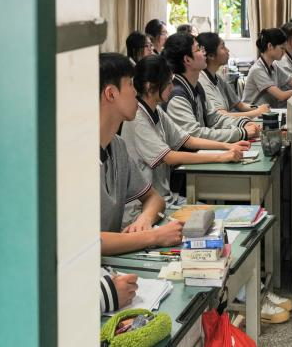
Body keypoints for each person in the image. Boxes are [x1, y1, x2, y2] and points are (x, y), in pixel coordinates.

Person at [123, 54, 251, 208]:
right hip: (143, 207)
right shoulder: (137, 118)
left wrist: (227, 146)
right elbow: (169, 157)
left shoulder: (157, 110)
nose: (171, 87)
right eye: (168, 83)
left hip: (164, 198)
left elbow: (188, 139)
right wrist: (220, 157)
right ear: (150, 87)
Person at [98, 53, 184, 256]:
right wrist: (153, 236)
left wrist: (145, 219)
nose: (136, 92)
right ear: (111, 94)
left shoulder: (117, 146)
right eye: (130, 84)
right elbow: (84, 242)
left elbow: (154, 198)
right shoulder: (74, 158)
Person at [161, 33, 260, 142]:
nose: (204, 53)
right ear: (187, 60)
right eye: (198, 49)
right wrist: (241, 132)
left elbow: (215, 118)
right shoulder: (177, 96)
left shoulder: (196, 87)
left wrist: (243, 123)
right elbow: (195, 135)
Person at [197, 32, 271, 119]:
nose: (227, 50)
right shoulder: (202, 81)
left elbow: (240, 105)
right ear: (211, 56)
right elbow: (221, 116)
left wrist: (259, 108)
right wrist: (257, 112)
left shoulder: (217, 78)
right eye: (222, 47)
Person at [242, 28, 292, 107]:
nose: (284, 52)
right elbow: (281, 95)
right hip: (253, 111)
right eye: (282, 48)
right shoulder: (257, 70)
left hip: (268, 110)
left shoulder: (274, 66)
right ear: (270, 46)